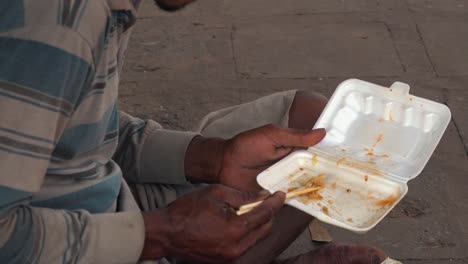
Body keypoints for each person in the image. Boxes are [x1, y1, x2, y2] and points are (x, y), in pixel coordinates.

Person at [0, 0, 388, 263]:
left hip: (101, 198)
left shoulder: (105, 11)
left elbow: (86, 133)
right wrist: (161, 233)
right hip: (55, 235)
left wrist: (215, 158)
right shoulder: (56, 27)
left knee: (314, 125)